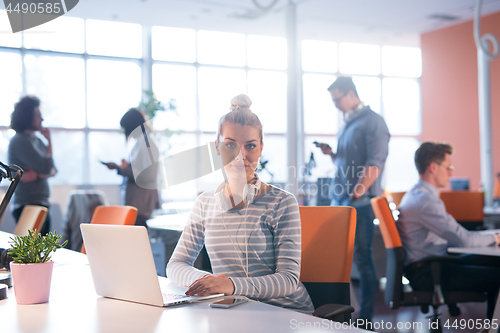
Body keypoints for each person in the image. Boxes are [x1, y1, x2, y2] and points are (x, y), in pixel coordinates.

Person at [167, 107, 314, 313]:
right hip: (234, 309)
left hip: (285, 312)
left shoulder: (282, 202)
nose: (241, 155)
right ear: (217, 148)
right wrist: (207, 281)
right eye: (230, 145)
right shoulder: (205, 203)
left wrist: (231, 285)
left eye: (250, 146)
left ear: (261, 149)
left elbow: (288, 280)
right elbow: (176, 264)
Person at [315, 76, 390, 324]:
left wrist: (357, 192)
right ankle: (344, 313)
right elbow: (344, 162)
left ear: (350, 94)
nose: (336, 104)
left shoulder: (373, 122)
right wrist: (332, 154)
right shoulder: (347, 123)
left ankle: (366, 317)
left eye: (337, 99)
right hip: (342, 201)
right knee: (339, 261)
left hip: (360, 202)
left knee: (362, 260)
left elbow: (375, 162)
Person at [397, 142, 500, 318]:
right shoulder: (425, 201)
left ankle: (491, 326)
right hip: (429, 273)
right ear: (433, 167)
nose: (451, 173)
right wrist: (496, 237)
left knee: (494, 262)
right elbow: (465, 240)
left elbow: (459, 236)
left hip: (430, 265)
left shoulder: (417, 194)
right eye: (448, 167)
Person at [102, 108, 160, 228]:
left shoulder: (147, 142)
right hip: (137, 202)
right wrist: (124, 167)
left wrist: (124, 169)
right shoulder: (141, 142)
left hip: (141, 204)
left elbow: (149, 175)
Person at [8, 95, 57, 236]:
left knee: (42, 251)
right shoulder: (20, 141)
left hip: (41, 203)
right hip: (28, 204)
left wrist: (38, 175)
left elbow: (54, 170)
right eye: (39, 116)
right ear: (29, 118)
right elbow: (48, 167)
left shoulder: (37, 141)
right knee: (35, 254)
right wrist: (49, 141)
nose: (42, 120)